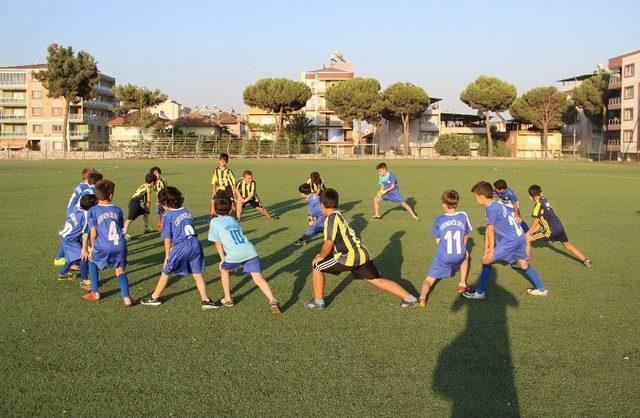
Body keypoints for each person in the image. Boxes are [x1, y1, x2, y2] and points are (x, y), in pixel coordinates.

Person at [308, 188, 419, 309]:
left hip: (349, 257)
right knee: (377, 281)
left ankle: (318, 302)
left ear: (322, 205)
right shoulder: (338, 215)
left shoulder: (331, 219)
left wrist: (321, 257)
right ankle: (410, 299)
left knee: (316, 265)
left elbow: (328, 243)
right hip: (362, 253)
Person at [463, 181, 548, 299]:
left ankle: (480, 292)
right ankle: (542, 288)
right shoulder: (497, 204)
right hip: (520, 238)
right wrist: (488, 248)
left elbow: (491, 229)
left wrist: (490, 250)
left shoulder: (491, 208)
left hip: (511, 240)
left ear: (482, 197)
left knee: (487, 260)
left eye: (476, 196)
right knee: (523, 264)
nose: (475, 199)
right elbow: (490, 228)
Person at [140, 187, 218, 310]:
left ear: (165, 203)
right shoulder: (186, 211)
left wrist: (167, 255)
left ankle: (154, 297)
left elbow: (167, 238)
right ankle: (206, 300)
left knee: (166, 270)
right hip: (195, 244)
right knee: (197, 273)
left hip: (181, 246)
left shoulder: (167, 215)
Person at [208, 196, 281, 314]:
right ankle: (272, 300)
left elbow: (217, 243)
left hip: (235, 254)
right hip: (250, 251)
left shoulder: (214, 221)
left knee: (223, 268)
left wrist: (222, 259)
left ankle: (227, 299)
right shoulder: (233, 219)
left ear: (215, 209)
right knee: (258, 278)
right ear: (230, 209)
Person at [82, 179, 135, 306]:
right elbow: (120, 227)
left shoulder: (92, 211)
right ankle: (127, 298)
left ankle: (95, 293)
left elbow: (93, 232)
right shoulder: (117, 209)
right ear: (111, 195)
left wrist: (92, 247)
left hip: (102, 245)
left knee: (92, 261)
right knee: (120, 270)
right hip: (120, 245)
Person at [419, 190, 472, 307]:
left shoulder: (439, 219)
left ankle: (422, 298)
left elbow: (438, 241)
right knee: (466, 255)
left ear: (443, 203)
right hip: (459, 254)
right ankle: (462, 283)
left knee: (429, 280)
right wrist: (462, 247)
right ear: (457, 204)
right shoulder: (463, 216)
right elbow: (466, 235)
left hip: (444, 256)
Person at [526, 184, 592, 268]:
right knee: (567, 245)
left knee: (527, 239)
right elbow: (541, 220)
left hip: (551, 230)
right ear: (541, 193)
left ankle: (525, 262)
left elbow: (537, 220)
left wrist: (529, 232)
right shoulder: (545, 200)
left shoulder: (538, 205)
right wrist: (535, 230)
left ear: (530, 197)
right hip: (559, 227)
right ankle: (586, 261)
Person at [54, 170, 103, 266]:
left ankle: (68, 258)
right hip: (78, 214)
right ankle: (68, 258)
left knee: (71, 236)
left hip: (74, 211)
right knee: (75, 236)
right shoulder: (91, 190)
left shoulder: (83, 187)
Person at [57, 194, 98, 291]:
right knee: (84, 257)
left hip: (65, 236)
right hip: (70, 240)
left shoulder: (77, 209)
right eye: (96, 202)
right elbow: (85, 233)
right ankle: (84, 281)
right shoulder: (87, 217)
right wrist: (85, 249)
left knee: (70, 257)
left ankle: (62, 274)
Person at [123, 172, 156, 240]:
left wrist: (146, 210)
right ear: (152, 182)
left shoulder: (144, 186)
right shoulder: (148, 189)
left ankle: (146, 229)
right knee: (130, 219)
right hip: (134, 204)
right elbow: (147, 202)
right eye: (155, 182)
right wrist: (147, 208)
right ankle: (123, 233)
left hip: (134, 202)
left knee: (145, 213)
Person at [150, 166, 168, 232]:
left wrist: (158, 200)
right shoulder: (155, 182)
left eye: (157, 173)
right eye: (154, 173)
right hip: (161, 199)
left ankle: (164, 225)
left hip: (163, 199)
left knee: (163, 212)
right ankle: (161, 223)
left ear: (159, 173)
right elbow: (156, 191)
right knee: (160, 212)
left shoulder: (161, 181)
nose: (156, 174)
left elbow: (161, 192)